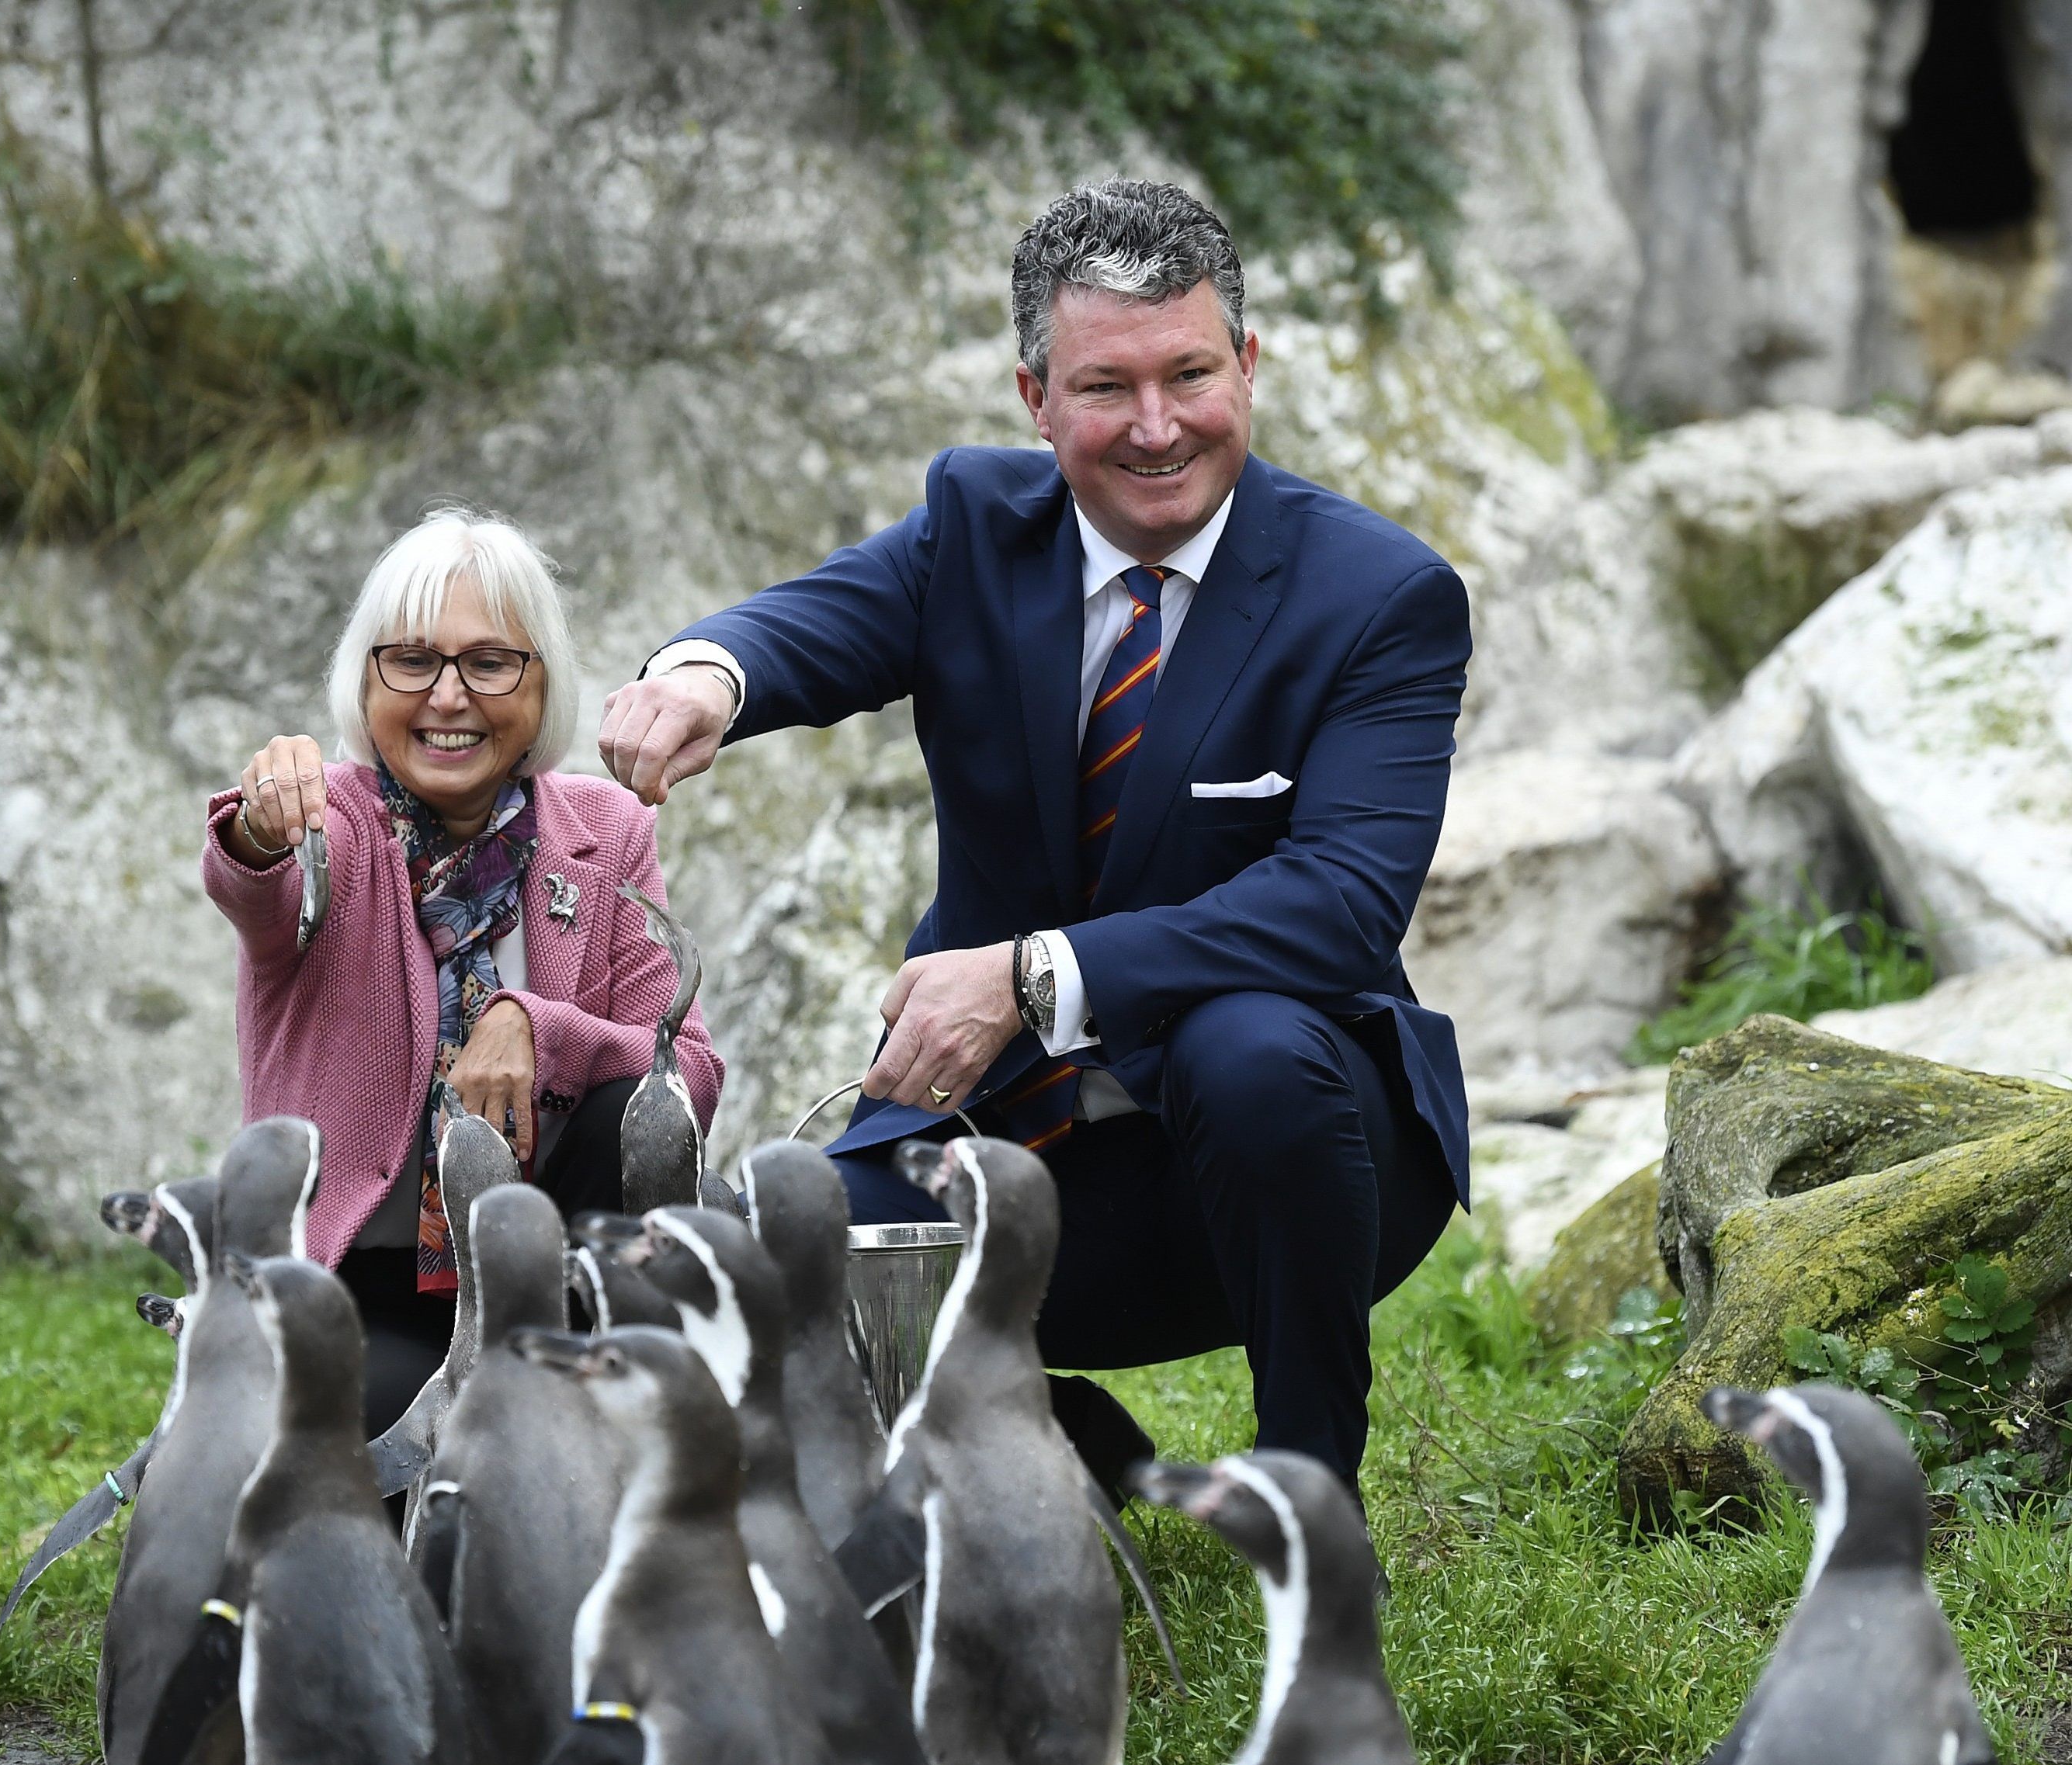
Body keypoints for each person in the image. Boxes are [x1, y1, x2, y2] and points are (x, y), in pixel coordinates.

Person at [595, 180, 1465, 1487]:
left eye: (1190, 374)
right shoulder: (972, 528)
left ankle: (1310, 1502)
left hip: (1292, 1166)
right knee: (773, 1268)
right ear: (1034, 399)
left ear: (1248, 363)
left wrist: (1025, 975)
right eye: (1106, 387)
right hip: (1010, 1161)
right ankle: (1043, 1450)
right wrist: (703, 676)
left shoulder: (1381, 596)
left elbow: (1340, 904)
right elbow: (808, 625)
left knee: (1253, 1045)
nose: (1158, 427)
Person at [207, 508, 720, 1437]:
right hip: (356, 1289)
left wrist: (539, 1027)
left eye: (488, 663)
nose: (449, 697)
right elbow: (253, 881)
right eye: (411, 661)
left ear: (540, 685)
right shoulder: (330, 824)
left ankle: (591, 1409)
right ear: (364, 680)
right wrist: (259, 820)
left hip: (553, 1272)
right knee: (403, 1476)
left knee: (627, 1096)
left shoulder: (607, 833)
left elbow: (690, 1076)